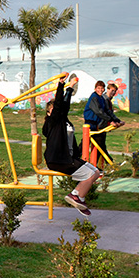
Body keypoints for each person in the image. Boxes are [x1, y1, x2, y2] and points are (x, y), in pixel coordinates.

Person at [43, 75, 103, 216]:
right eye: (52, 109)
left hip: (68, 157)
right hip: (58, 159)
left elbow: (64, 105)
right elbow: (58, 105)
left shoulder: (65, 120)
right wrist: (62, 84)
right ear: (48, 112)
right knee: (89, 174)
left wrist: (69, 91)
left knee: (95, 172)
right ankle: (75, 196)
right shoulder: (51, 123)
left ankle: (78, 196)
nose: (56, 110)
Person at [83, 80, 124, 166]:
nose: (100, 90)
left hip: (96, 123)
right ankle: (110, 163)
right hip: (91, 124)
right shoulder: (96, 97)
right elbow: (99, 111)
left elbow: (107, 111)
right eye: (98, 88)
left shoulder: (101, 98)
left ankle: (96, 165)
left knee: (98, 145)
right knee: (94, 144)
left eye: (102, 88)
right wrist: (111, 121)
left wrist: (117, 120)